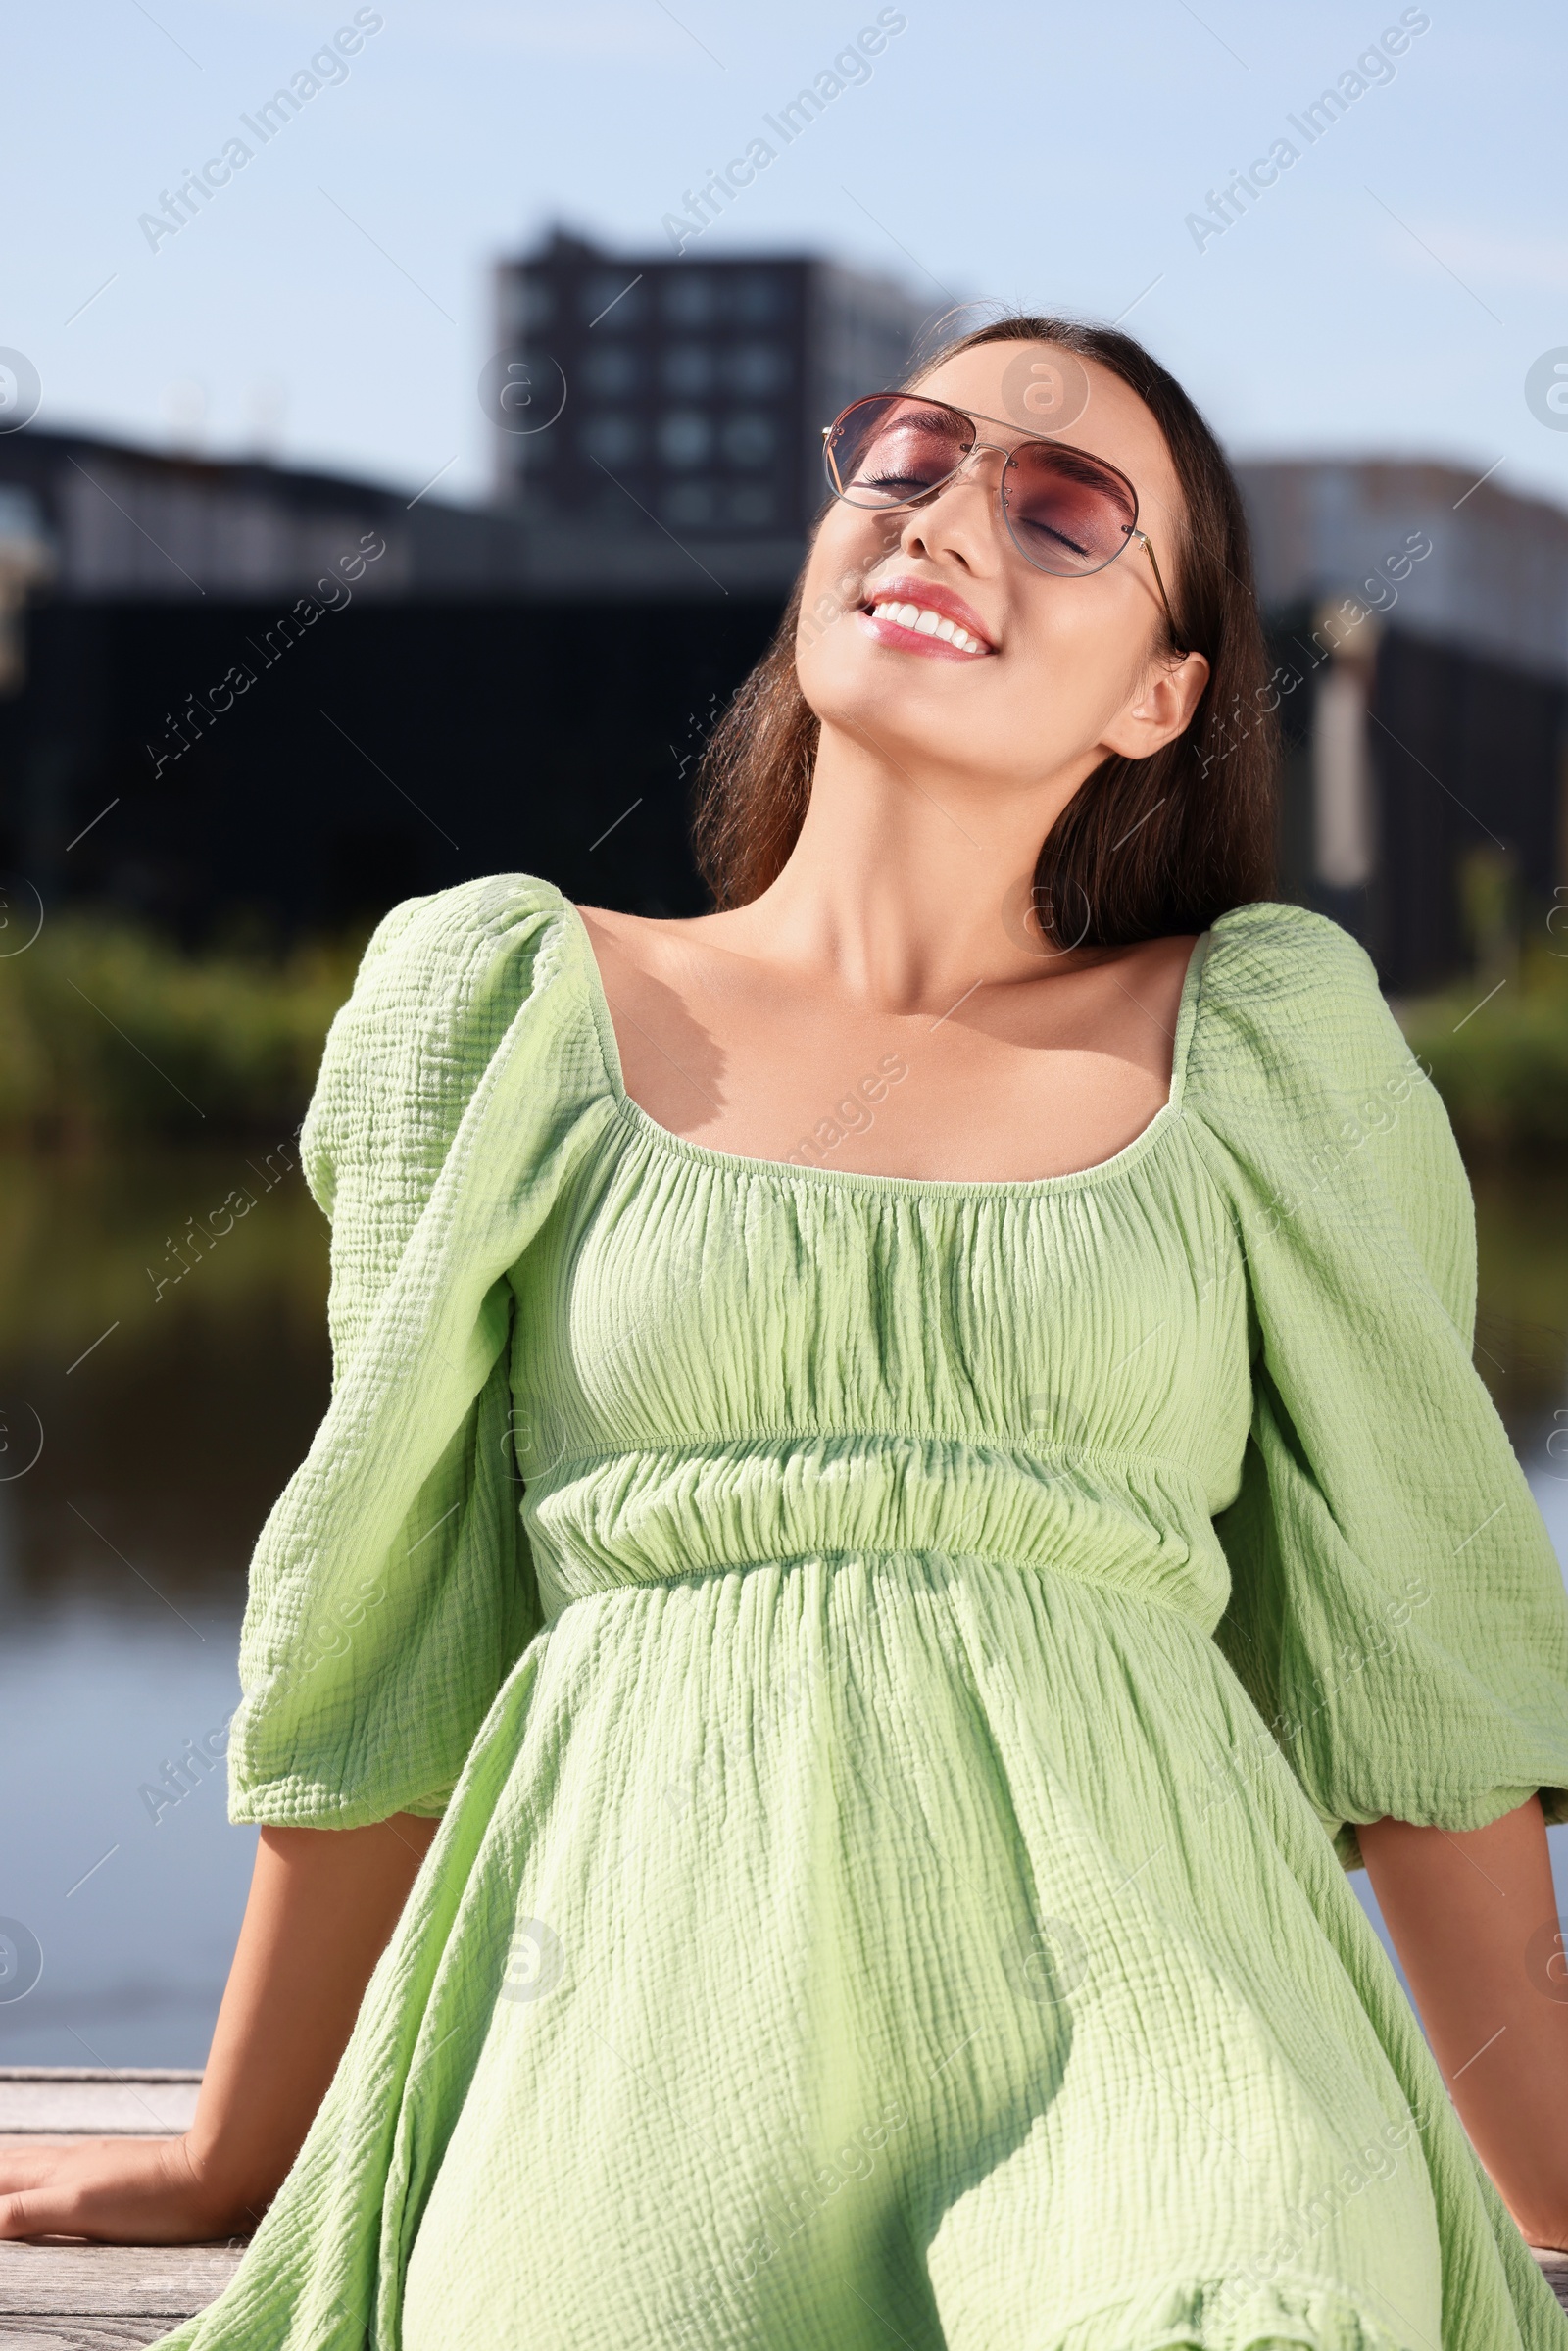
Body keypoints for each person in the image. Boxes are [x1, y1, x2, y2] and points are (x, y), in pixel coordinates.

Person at [5, 316, 1568, 2350]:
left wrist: (1540, 2167)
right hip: (640, 2013)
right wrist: (239, 2154)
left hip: (1170, 2012)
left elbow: (1418, 1644)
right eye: (905, 456)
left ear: (1163, 693)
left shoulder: (1259, 1046)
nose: (943, 517)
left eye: (1062, 504)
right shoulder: (503, 1008)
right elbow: (375, 1628)